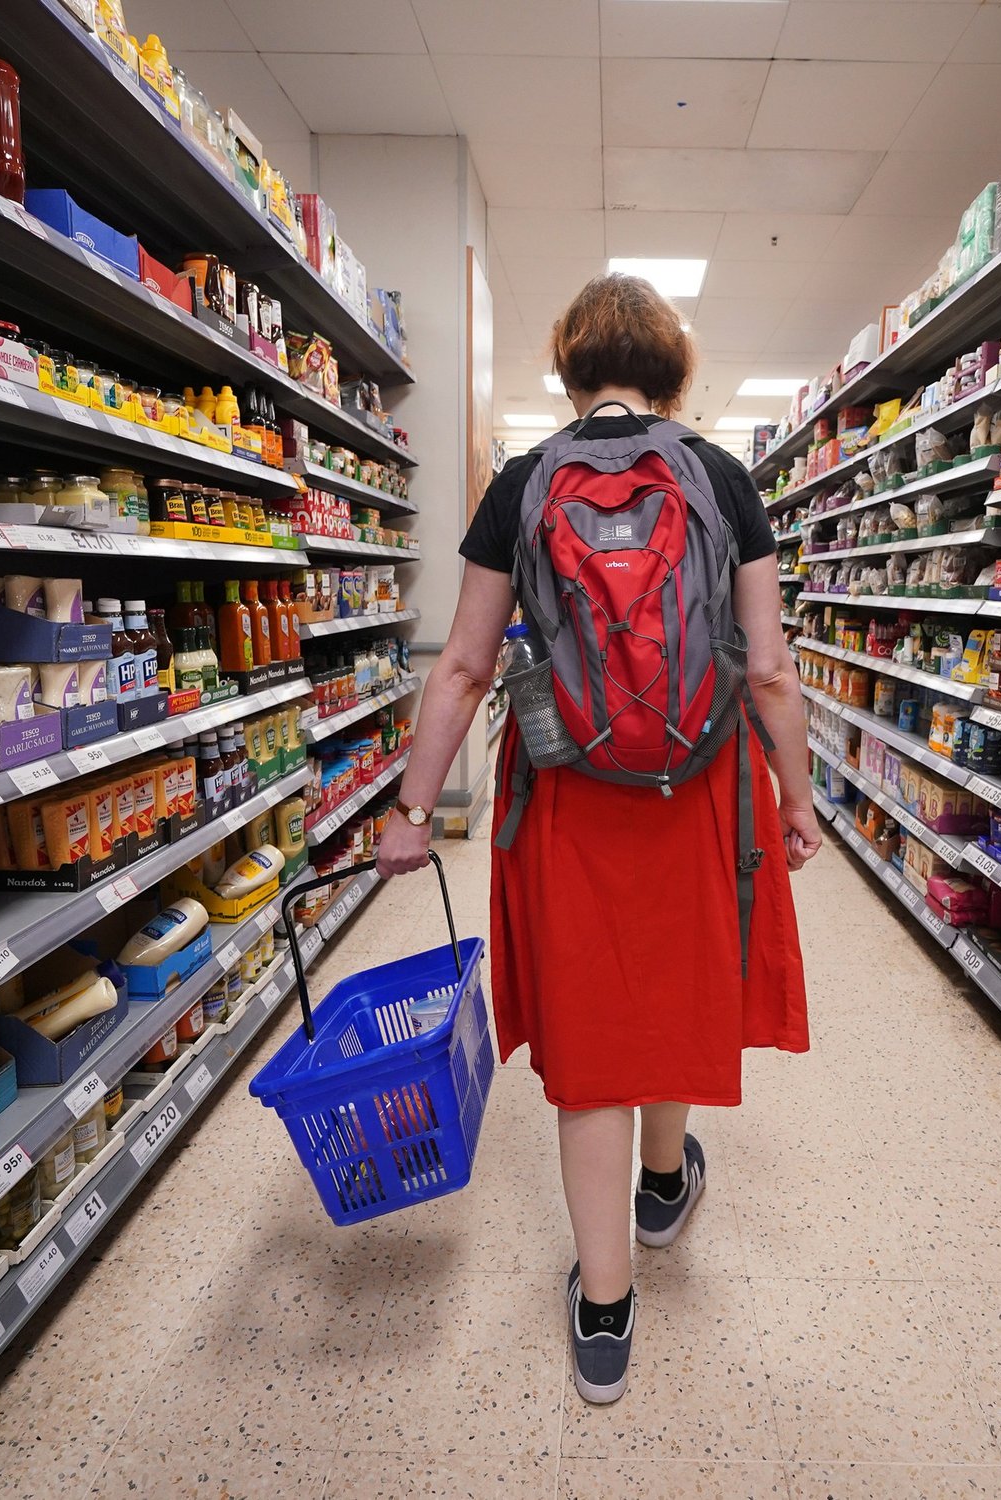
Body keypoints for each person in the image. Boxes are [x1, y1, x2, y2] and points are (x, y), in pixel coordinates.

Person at [375, 273, 818, 1403]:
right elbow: (768, 669)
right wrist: (797, 798)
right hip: (700, 787)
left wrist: (413, 810)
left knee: (594, 1025)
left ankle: (606, 1312)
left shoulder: (521, 484)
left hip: (568, 789)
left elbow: (462, 667)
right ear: (671, 371)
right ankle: (664, 1189)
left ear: (569, 369)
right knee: (675, 987)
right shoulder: (721, 478)